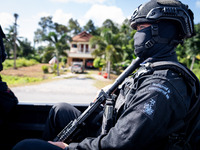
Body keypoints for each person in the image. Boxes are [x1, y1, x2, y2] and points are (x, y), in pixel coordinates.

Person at [12, 0, 200, 149]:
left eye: (141, 28)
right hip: (111, 133)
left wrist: (68, 147)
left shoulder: (161, 85)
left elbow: (122, 142)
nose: (136, 35)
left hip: (116, 143)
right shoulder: (150, 69)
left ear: (161, 31)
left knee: (26, 146)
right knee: (59, 111)